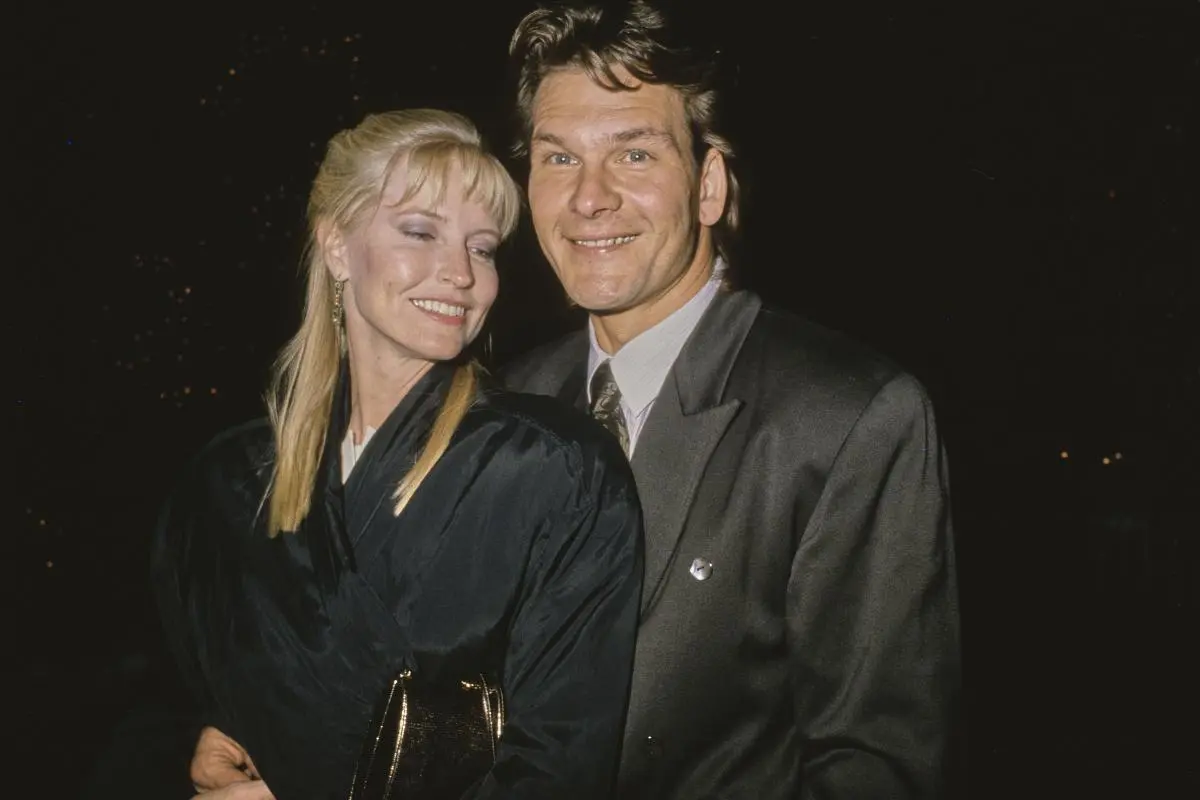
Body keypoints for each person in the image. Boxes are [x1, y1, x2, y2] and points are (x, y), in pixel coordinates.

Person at [500, 1, 962, 797]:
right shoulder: (505, 401)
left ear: (709, 186)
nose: (589, 198)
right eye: (559, 159)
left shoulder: (850, 417)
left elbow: (876, 766)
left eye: (635, 154)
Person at [152, 108, 644, 800]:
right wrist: (202, 739)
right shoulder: (228, 481)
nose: (461, 274)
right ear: (335, 246)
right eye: (420, 232)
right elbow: (149, 693)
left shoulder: (556, 469)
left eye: (482, 247)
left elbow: (560, 769)